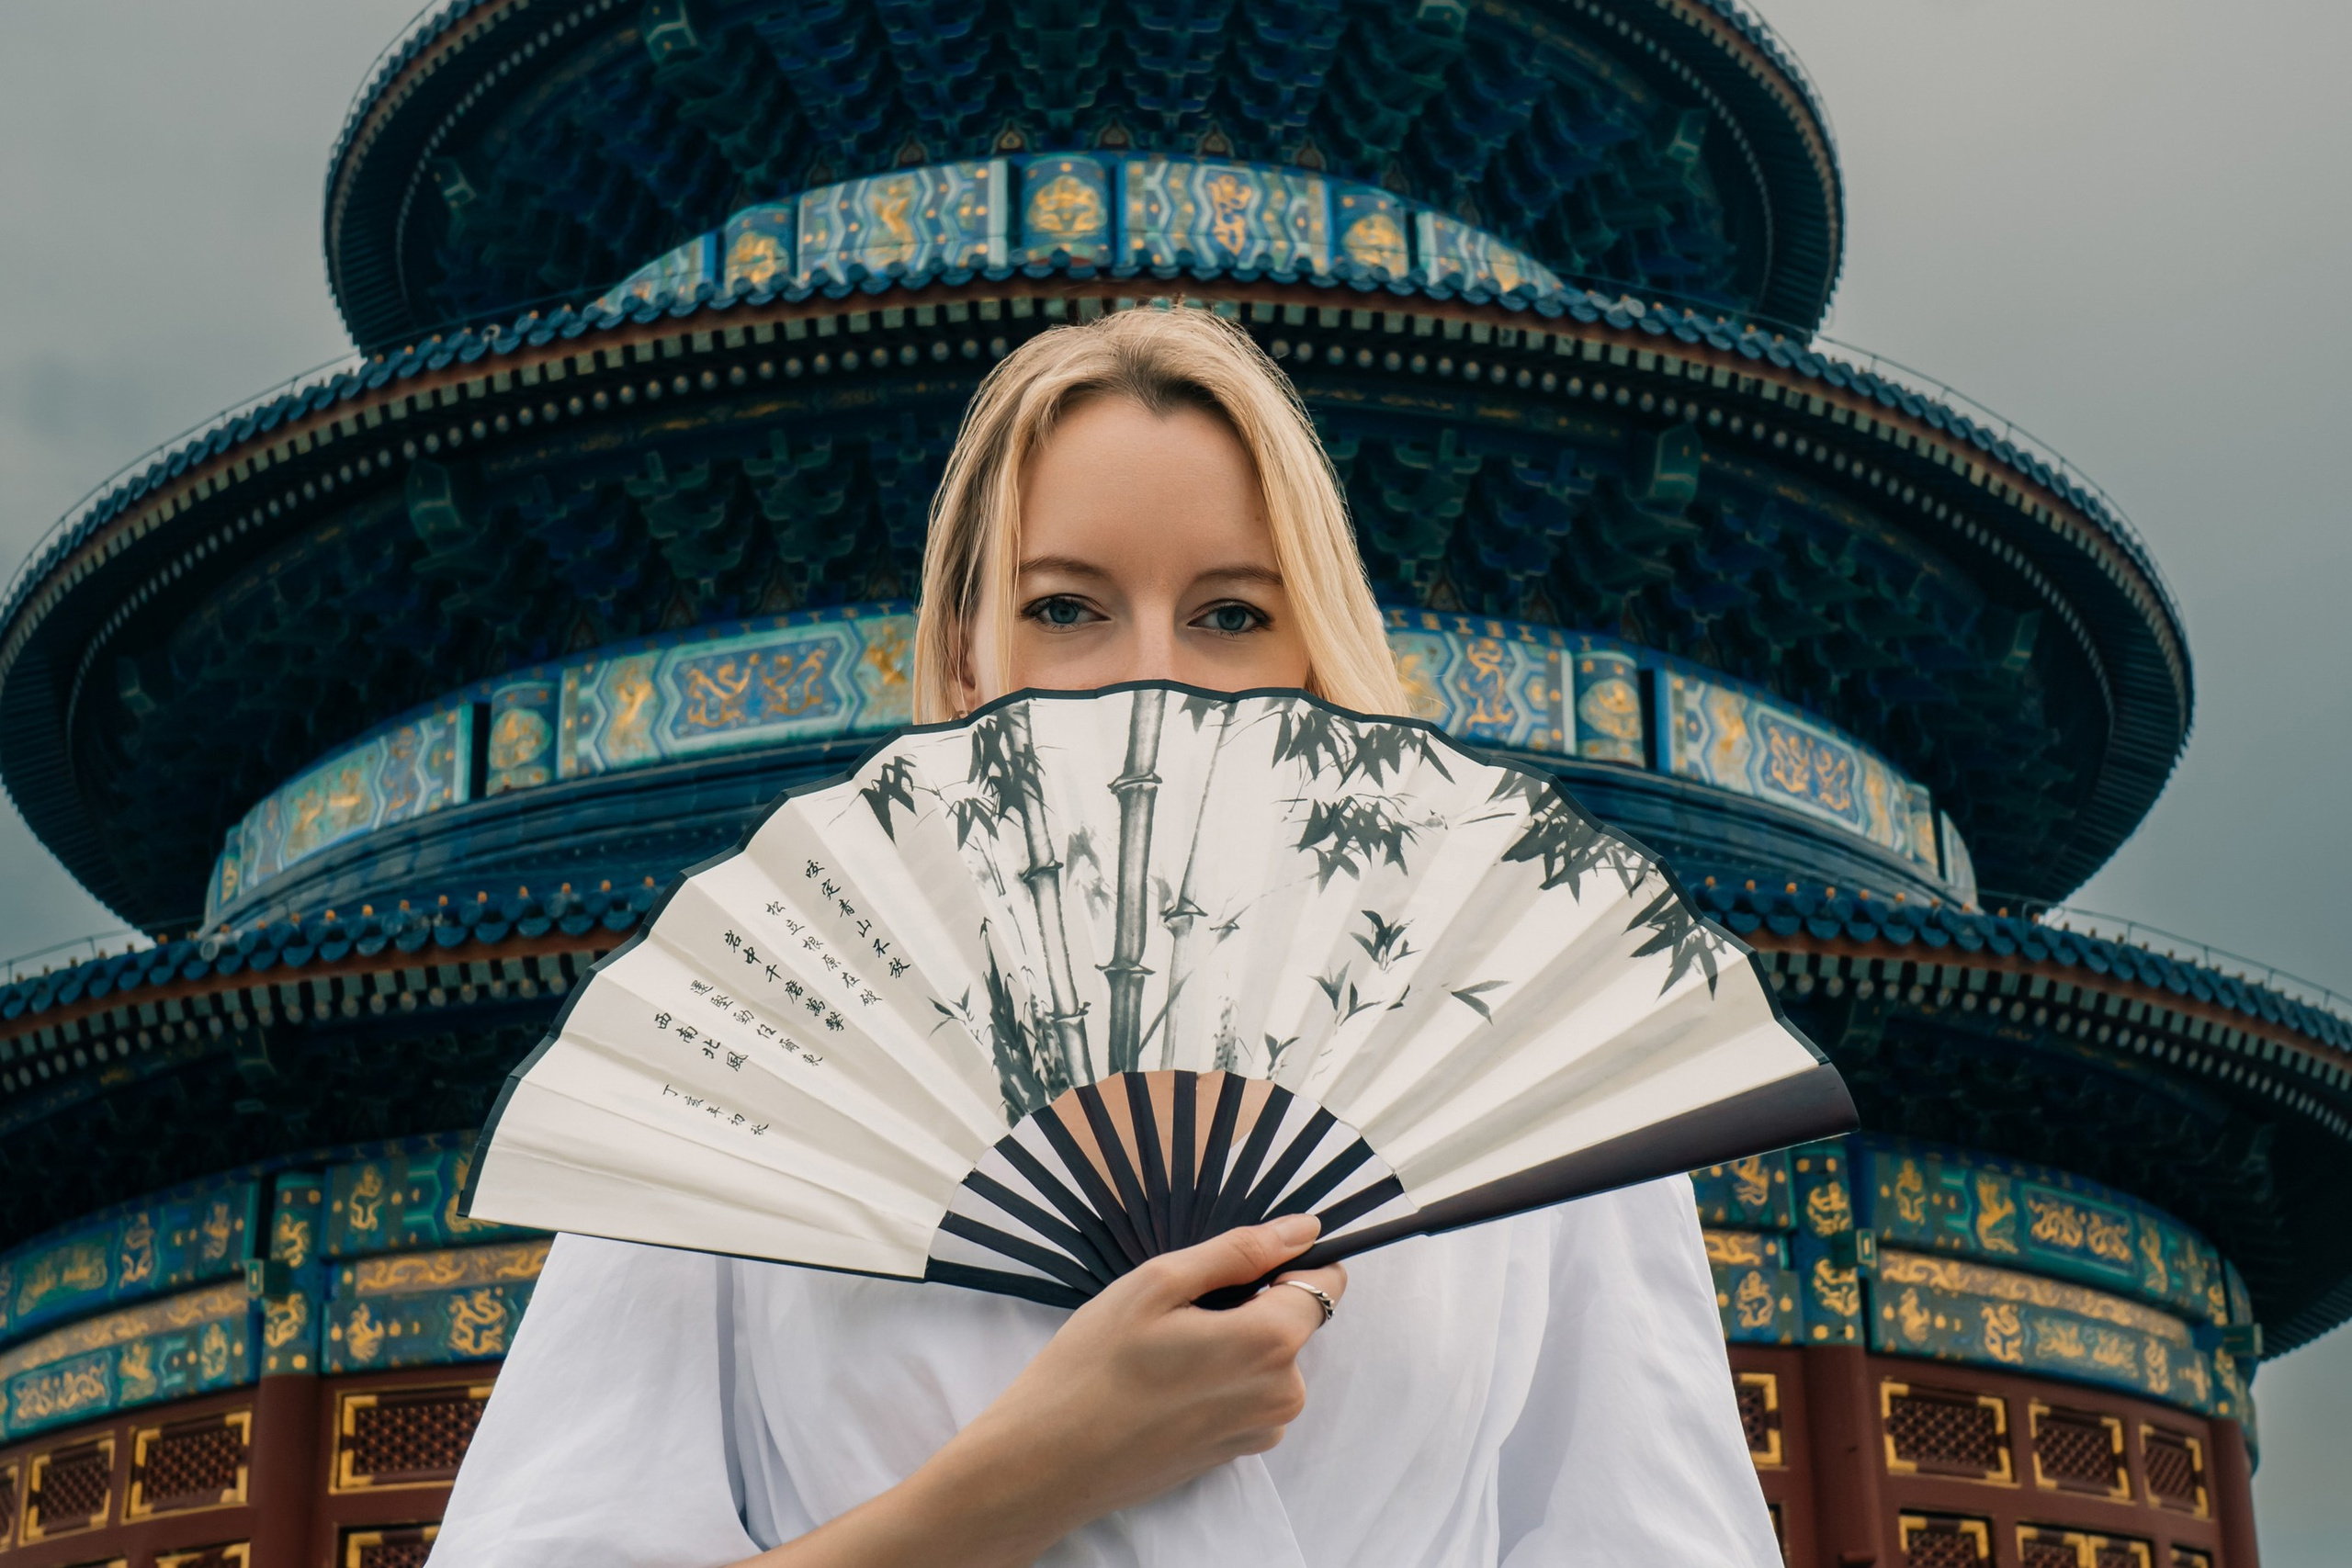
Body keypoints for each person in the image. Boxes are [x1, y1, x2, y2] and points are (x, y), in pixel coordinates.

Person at [429, 305, 1781, 1568]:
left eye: (1232, 615)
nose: (1152, 672)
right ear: (969, 657)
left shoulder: (1529, 1064)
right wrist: (1030, 1476)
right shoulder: (749, 1058)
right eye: (1066, 608)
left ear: (1312, 654)